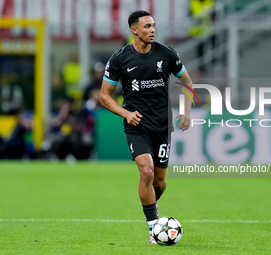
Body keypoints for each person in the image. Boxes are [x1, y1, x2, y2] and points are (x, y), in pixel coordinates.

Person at [99, 10, 193, 244]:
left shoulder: (167, 54)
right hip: (137, 125)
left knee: (159, 182)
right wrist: (125, 113)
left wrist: (186, 110)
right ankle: (153, 228)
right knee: (147, 172)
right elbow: (104, 96)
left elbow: (187, 81)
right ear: (134, 30)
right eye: (147, 26)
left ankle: (152, 205)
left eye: (153, 26)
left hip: (162, 126)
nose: (153, 30)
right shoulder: (120, 59)